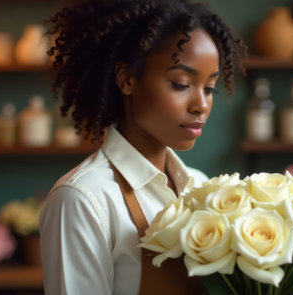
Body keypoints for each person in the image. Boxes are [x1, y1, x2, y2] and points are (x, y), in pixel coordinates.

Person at [39, 0, 245, 294]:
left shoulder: (202, 188)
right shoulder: (82, 200)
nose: (201, 105)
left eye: (210, 88)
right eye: (181, 83)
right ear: (127, 79)